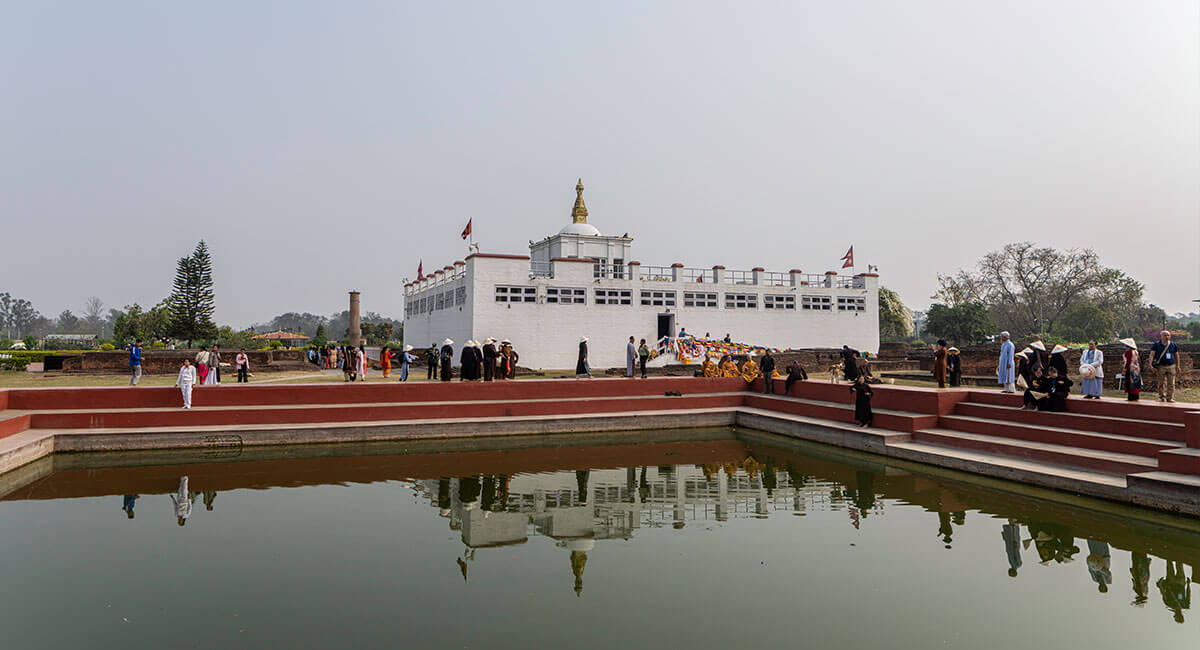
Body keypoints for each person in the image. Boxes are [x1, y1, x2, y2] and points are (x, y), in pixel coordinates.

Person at [1150, 330, 1179, 403]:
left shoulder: (1173, 344)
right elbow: (1152, 354)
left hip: (1171, 366)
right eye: (1165, 335)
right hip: (1161, 366)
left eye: (1168, 335)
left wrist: (1178, 365)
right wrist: (1150, 364)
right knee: (1161, 383)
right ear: (1161, 336)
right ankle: (1161, 397)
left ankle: (1170, 397)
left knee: (1171, 383)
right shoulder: (1156, 344)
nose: (1167, 337)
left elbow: (1176, 355)